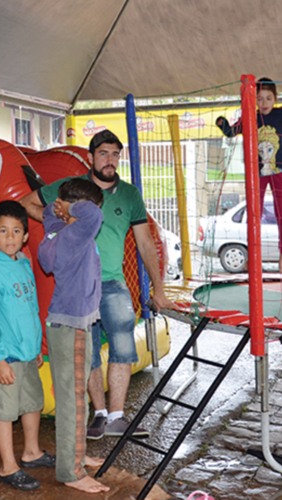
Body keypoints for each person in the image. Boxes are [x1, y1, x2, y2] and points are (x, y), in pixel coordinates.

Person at [20, 130, 173, 441]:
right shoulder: (72, 189)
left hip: (114, 282)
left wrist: (159, 287)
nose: (110, 160)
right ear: (90, 157)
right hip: (79, 287)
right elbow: (26, 203)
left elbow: (144, 242)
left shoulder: (130, 194)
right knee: (87, 353)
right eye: (104, 153)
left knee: (124, 347)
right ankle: (99, 414)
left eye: (115, 154)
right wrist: (58, 224)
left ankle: (117, 416)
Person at [38, 178, 111, 494]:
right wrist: (69, 206)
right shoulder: (76, 231)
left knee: (75, 396)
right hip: (71, 326)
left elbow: (46, 214)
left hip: (68, 324)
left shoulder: (57, 232)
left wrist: (58, 208)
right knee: (74, 402)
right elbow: (93, 215)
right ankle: (71, 470)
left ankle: (76, 455)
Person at [0, 201, 51, 491]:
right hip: (5, 355)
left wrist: (36, 346)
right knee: (4, 412)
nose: (10, 237)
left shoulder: (23, 263)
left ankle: (32, 452)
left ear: (25, 236)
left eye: (16, 230)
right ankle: (8, 467)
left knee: (32, 403)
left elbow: (30, 310)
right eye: (3, 230)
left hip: (27, 353)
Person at [215, 78, 282, 274]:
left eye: (268, 98)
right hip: (256, 174)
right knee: (254, 214)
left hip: (278, 171)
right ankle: (253, 255)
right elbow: (231, 132)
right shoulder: (250, 116)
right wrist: (222, 123)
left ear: (275, 98)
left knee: (280, 213)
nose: (264, 103)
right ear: (254, 100)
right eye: (259, 99)